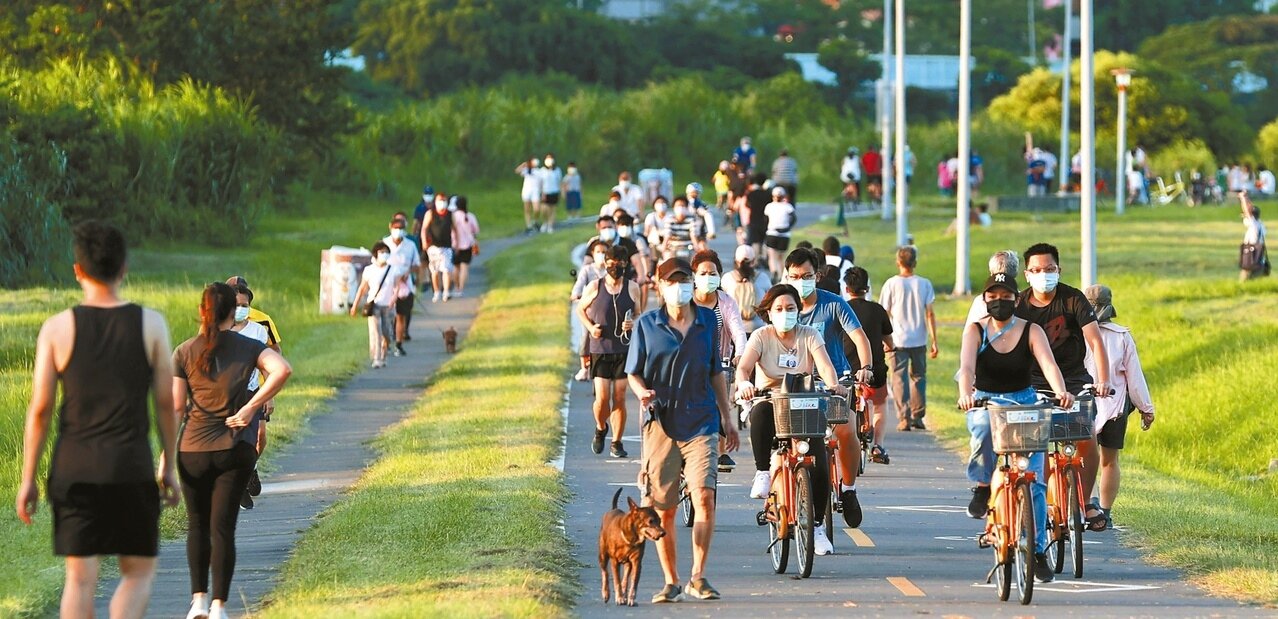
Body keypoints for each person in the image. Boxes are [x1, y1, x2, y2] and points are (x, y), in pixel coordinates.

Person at [16, 221, 179, 619]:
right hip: (130, 466)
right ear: (124, 267)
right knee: (138, 573)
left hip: (74, 468)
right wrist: (169, 467)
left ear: (78, 270)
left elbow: (39, 409)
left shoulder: (56, 329)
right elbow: (165, 404)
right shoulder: (151, 325)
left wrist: (28, 478)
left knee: (79, 578)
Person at [174, 282, 292, 619]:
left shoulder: (184, 351)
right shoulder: (249, 345)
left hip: (193, 448)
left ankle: (197, 600)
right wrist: (253, 406)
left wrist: (167, 458)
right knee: (222, 527)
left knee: (197, 525)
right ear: (234, 312)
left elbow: (174, 407)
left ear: (202, 311)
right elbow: (282, 369)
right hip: (234, 445)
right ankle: (219, 606)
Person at [626, 257, 740, 603]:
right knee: (664, 509)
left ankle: (698, 577)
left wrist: (727, 417)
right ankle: (671, 580)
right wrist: (641, 391)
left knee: (704, 495)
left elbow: (716, 372)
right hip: (661, 423)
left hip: (701, 420)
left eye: (685, 280)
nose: (680, 287)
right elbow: (634, 372)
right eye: (672, 281)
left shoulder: (708, 320)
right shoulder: (647, 325)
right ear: (659, 286)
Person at [956, 272, 1074, 584]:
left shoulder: (1031, 330)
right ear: (985, 300)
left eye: (1005, 296)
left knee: (1033, 480)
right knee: (981, 429)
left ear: (1016, 299)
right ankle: (982, 486)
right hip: (987, 401)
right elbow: (967, 367)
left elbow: (1048, 365)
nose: (999, 302)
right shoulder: (976, 330)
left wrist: (1060, 391)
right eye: (992, 296)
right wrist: (966, 395)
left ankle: (1036, 551)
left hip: (1024, 403)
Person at [735, 284, 851, 556]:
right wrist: (743, 384)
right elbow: (744, 367)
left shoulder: (809, 335)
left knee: (820, 462)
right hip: (772, 403)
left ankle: (818, 527)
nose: (785, 313)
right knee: (760, 411)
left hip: (805, 405)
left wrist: (834, 386)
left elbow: (825, 366)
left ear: (799, 311)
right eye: (779, 309)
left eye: (790, 308)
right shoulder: (761, 336)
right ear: (769, 312)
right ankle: (763, 472)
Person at [773, 249, 876, 532]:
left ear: (817, 276)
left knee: (846, 430)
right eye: (794, 277)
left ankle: (850, 489)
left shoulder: (834, 304)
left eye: (806, 276)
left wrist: (865, 366)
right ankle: (779, 494)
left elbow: (859, 337)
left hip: (833, 384)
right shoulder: (780, 306)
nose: (800, 282)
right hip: (793, 385)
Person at [1014, 242, 1111, 530]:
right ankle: (1041, 504)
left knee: (1088, 438)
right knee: (1038, 445)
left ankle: (1084, 501)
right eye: (1037, 270)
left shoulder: (1073, 299)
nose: (1044, 274)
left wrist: (1103, 379)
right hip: (1033, 383)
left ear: (1059, 270)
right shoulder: (1019, 305)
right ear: (1027, 274)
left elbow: (1095, 341)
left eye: (1050, 269)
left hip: (1074, 380)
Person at [1082, 284, 1155, 530]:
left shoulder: (1075, 334)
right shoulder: (1122, 336)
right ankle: (1106, 511)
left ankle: (1089, 505)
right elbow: (1135, 378)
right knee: (1109, 461)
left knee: (1084, 458)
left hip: (1082, 404)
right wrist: (1146, 408)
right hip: (1115, 406)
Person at [579, 246, 641, 458]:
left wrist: (631, 324)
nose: (616, 267)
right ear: (605, 264)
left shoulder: (633, 288)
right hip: (601, 349)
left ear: (626, 264)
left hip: (624, 348)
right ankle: (600, 427)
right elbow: (580, 309)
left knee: (620, 396)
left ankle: (617, 441)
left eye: (620, 263)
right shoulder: (595, 286)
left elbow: (639, 314)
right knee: (603, 398)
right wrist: (591, 327)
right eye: (612, 263)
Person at [691, 250, 748, 471]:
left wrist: (740, 355)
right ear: (694, 276)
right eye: (703, 273)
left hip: (719, 364)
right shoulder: (686, 301)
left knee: (720, 404)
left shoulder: (726, 302)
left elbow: (738, 331)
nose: (708, 277)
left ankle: (722, 452)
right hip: (691, 364)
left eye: (712, 273)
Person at [879, 246, 939, 431]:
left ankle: (904, 417)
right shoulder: (924, 284)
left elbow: (885, 313)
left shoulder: (891, 284)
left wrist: (883, 338)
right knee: (919, 377)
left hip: (897, 339)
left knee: (899, 378)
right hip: (919, 338)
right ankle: (918, 415)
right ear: (915, 263)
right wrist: (934, 339)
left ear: (898, 262)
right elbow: (929, 314)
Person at [842, 266, 893, 464]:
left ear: (847, 289)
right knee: (880, 405)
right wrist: (891, 348)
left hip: (847, 370)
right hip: (874, 369)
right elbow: (888, 339)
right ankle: (878, 446)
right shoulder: (877, 310)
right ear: (867, 288)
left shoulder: (842, 308)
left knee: (847, 408)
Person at [228, 284, 272, 511]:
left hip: (253, 392)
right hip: (225, 395)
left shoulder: (258, 331)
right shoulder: (216, 330)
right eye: (236, 306)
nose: (240, 309)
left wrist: (269, 395)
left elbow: (266, 365)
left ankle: (248, 471)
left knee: (258, 438)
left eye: (244, 306)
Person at [350, 242, 401, 368]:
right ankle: (377, 358)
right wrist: (355, 305)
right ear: (376, 254)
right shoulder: (369, 270)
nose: (384, 255)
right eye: (381, 252)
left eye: (386, 252)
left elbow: (397, 288)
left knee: (387, 334)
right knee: (376, 332)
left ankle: (383, 354)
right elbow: (362, 289)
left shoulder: (393, 270)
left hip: (388, 307)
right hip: (374, 306)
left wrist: (393, 300)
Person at [384, 215, 420, 354]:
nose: (398, 231)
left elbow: (416, 264)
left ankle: (398, 343)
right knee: (387, 317)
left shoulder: (410, 245)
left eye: (400, 228)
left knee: (401, 315)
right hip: (388, 287)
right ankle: (386, 342)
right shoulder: (384, 244)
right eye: (395, 228)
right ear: (390, 227)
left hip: (405, 287)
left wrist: (408, 273)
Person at [721, 245, 772, 333]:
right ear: (753, 261)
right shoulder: (763, 278)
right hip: (758, 328)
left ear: (736, 261)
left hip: (733, 329)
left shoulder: (727, 278)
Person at [965, 250, 1020, 324]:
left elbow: (970, 330)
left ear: (991, 274)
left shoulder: (980, 302)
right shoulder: (1024, 299)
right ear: (1015, 274)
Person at [421, 192, 456, 302]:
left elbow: (455, 229)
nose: (442, 203)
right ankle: (436, 292)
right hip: (433, 247)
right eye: (440, 200)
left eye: (444, 200)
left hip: (446, 246)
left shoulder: (450, 214)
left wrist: (457, 242)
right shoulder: (430, 213)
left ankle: (446, 291)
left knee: (446, 269)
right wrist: (424, 242)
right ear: (435, 202)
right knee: (435, 271)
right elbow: (424, 229)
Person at [762, 186, 795, 281]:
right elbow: (793, 218)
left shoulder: (769, 206)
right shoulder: (788, 206)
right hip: (785, 234)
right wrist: (788, 226)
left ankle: (773, 271)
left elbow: (765, 219)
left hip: (772, 232)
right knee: (781, 257)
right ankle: (781, 275)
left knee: (772, 256)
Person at [451, 196, 480, 296]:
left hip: (455, 245)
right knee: (464, 267)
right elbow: (476, 230)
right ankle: (461, 289)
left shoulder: (453, 216)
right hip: (467, 245)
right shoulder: (470, 216)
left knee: (455, 267)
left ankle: (456, 286)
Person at [1239, 191, 1269, 281]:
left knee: (1244, 280)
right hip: (1259, 259)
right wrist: (1247, 198)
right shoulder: (1260, 224)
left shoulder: (1253, 224)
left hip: (1251, 256)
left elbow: (1247, 211)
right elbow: (1249, 209)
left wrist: (1243, 198)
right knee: (1256, 282)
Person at [744, 173, 771, 263]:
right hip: (765, 220)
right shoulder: (768, 194)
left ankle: (755, 262)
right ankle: (763, 258)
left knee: (755, 242)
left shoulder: (751, 193)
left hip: (754, 220)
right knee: (763, 241)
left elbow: (747, 204)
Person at [516, 158, 543, 234]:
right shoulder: (526, 170)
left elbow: (541, 182)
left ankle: (535, 221)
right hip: (527, 192)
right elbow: (517, 171)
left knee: (536, 209)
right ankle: (529, 225)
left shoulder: (539, 171)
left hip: (536, 191)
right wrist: (523, 165)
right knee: (527, 209)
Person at [539, 153, 563, 233]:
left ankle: (550, 225)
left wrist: (561, 192)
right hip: (545, 192)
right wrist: (541, 192)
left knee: (552, 209)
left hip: (554, 192)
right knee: (544, 209)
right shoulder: (542, 170)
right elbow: (540, 182)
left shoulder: (557, 170)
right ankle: (545, 222)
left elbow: (559, 182)